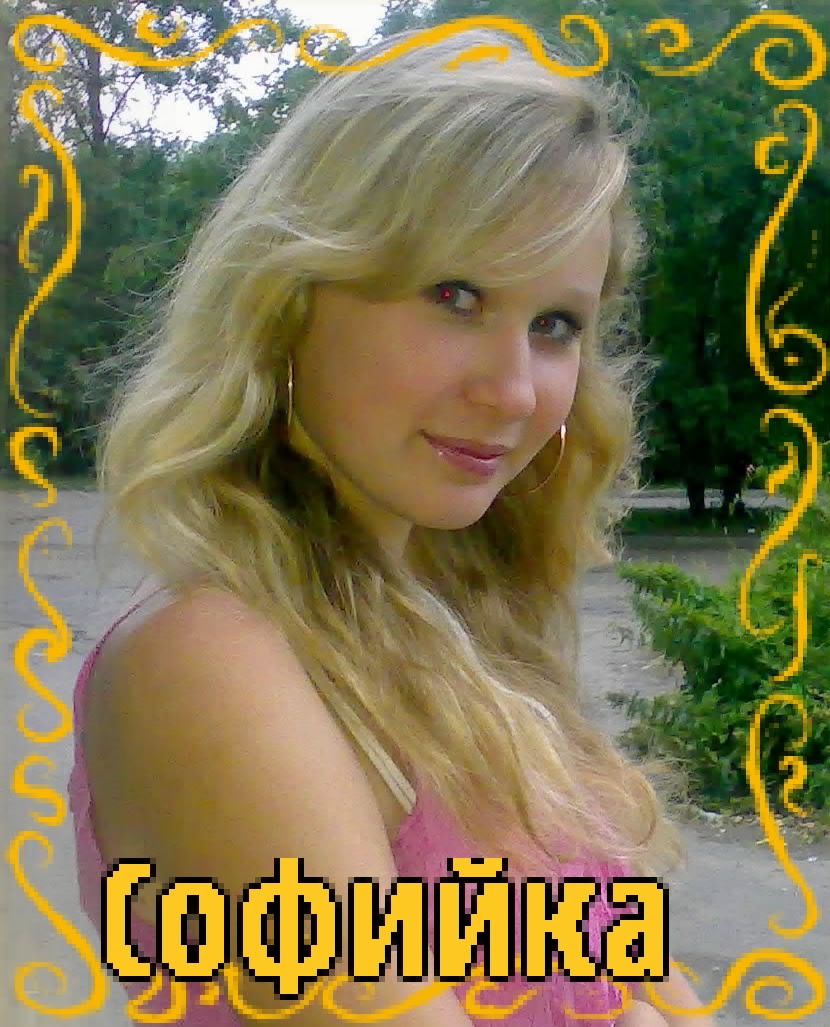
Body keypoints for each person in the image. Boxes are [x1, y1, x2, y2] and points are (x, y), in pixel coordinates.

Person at [69, 22, 718, 1027]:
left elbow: (640, 989)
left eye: (554, 325)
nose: (513, 391)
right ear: (286, 302)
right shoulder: (209, 661)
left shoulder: (468, 631)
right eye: (455, 296)